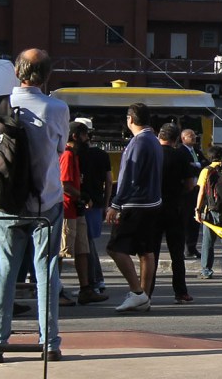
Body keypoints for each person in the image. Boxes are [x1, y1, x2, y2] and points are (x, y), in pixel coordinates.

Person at [0, 49, 69, 364]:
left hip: (6, 202)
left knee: (4, 273)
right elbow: (60, 148)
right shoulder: (57, 108)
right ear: (46, 75)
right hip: (45, 201)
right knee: (46, 272)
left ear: (17, 72)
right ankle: (49, 343)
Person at [105, 103, 163, 314]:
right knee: (146, 250)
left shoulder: (138, 142)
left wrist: (115, 203)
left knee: (115, 247)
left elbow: (130, 175)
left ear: (130, 119)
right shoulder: (154, 140)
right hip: (153, 201)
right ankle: (144, 295)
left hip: (136, 203)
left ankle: (137, 293)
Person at [59, 122, 105, 305]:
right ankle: (56, 291)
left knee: (82, 250)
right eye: (86, 135)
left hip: (75, 209)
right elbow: (65, 184)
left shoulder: (75, 155)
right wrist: (82, 196)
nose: (88, 139)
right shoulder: (68, 155)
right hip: (67, 208)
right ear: (76, 136)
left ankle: (86, 288)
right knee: (62, 251)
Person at [147, 123, 193, 304]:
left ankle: (147, 291)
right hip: (175, 208)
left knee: (151, 252)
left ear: (159, 136)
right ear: (176, 140)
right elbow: (190, 184)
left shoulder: (151, 153)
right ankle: (181, 292)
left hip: (152, 207)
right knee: (177, 253)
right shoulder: (181, 155)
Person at [74, 117, 111, 294]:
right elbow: (109, 181)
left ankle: (95, 280)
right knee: (88, 242)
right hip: (96, 202)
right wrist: (106, 203)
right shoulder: (101, 154)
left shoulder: (74, 154)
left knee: (85, 243)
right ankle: (95, 280)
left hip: (82, 203)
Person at [195, 145, 222, 280]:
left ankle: (206, 271)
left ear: (209, 156)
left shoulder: (206, 171)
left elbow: (201, 192)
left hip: (210, 211)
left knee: (208, 242)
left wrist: (198, 210)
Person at [180, 128, 204, 259]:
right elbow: (186, 168)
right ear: (183, 138)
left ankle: (192, 247)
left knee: (195, 219)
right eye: (191, 136)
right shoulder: (181, 151)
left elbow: (206, 163)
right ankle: (183, 247)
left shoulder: (197, 151)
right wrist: (195, 167)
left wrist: (196, 164)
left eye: (194, 135)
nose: (194, 138)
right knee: (184, 220)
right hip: (186, 191)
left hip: (197, 189)